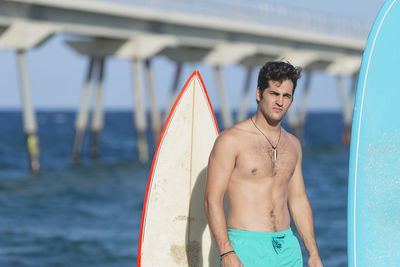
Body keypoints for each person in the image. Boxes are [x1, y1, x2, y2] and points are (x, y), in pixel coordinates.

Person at [204, 61, 323, 267]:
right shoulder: (231, 140)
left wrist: (313, 252)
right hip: (246, 247)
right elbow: (211, 199)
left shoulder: (293, 145)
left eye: (286, 96)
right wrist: (226, 251)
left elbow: (298, 200)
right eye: (274, 93)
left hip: (287, 248)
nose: (280, 102)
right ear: (259, 94)